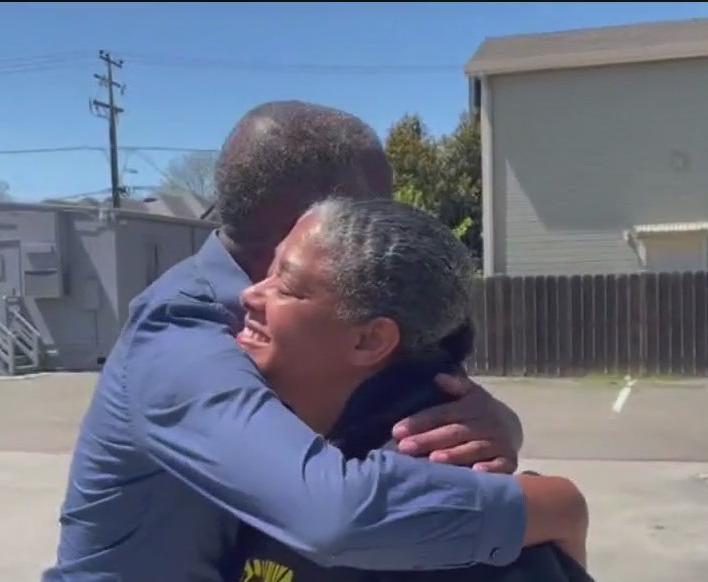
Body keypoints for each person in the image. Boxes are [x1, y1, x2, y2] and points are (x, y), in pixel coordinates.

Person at [43, 101, 527, 582]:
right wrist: (548, 508)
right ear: (308, 219)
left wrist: (492, 422)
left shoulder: (310, 323)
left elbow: (382, 410)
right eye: (376, 205)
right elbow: (332, 516)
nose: (386, 224)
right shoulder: (183, 336)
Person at [228, 197, 591, 582]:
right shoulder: (268, 428)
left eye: (287, 286)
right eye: (265, 273)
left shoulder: (458, 526)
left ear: (369, 340)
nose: (249, 295)